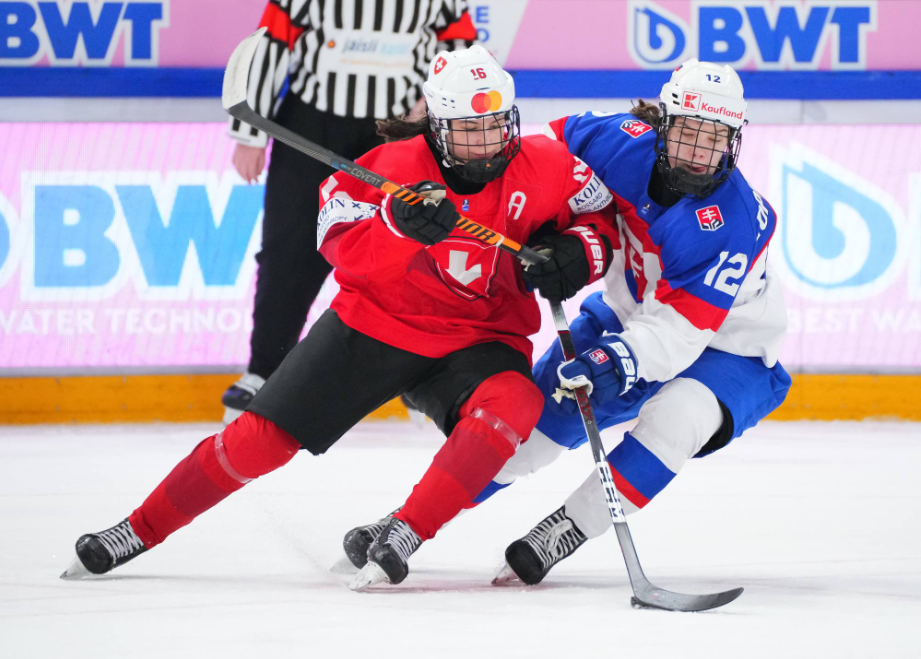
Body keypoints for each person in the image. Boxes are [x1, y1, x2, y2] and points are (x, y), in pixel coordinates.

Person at [61, 46, 618, 590]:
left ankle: (406, 531)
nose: (487, 143)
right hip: (374, 325)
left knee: (516, 403)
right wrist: (396, 228)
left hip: (480, 339)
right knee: (258, 441)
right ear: (436, 126)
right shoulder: (390, 168)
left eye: (496, 125)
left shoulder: (547, 165)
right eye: (469, 130)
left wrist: (578, 252)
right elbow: (337, 247)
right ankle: (137, 528)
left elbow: (600, 216)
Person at [344, 59, 791, 587]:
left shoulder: (733, 221)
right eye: (688, 132)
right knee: (527, 436)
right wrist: (557, 236)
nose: (698, 153)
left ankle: (570, 527)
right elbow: (530, 165)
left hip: (728, 347)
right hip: (628, 317)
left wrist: (613, 358)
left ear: (735, 140)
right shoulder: (615, 141)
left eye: (714, 138)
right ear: (664, 124)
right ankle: (408, 523)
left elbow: (679, 335)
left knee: (679, 418)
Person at [223, 0, 479, 424]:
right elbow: (271, 46)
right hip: (311, 123)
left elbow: (461, 49)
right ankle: (264, 370)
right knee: (289, 249)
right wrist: (249, 134)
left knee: (409, 252)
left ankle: (416, 377)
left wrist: (435, 109)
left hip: (398, 129)